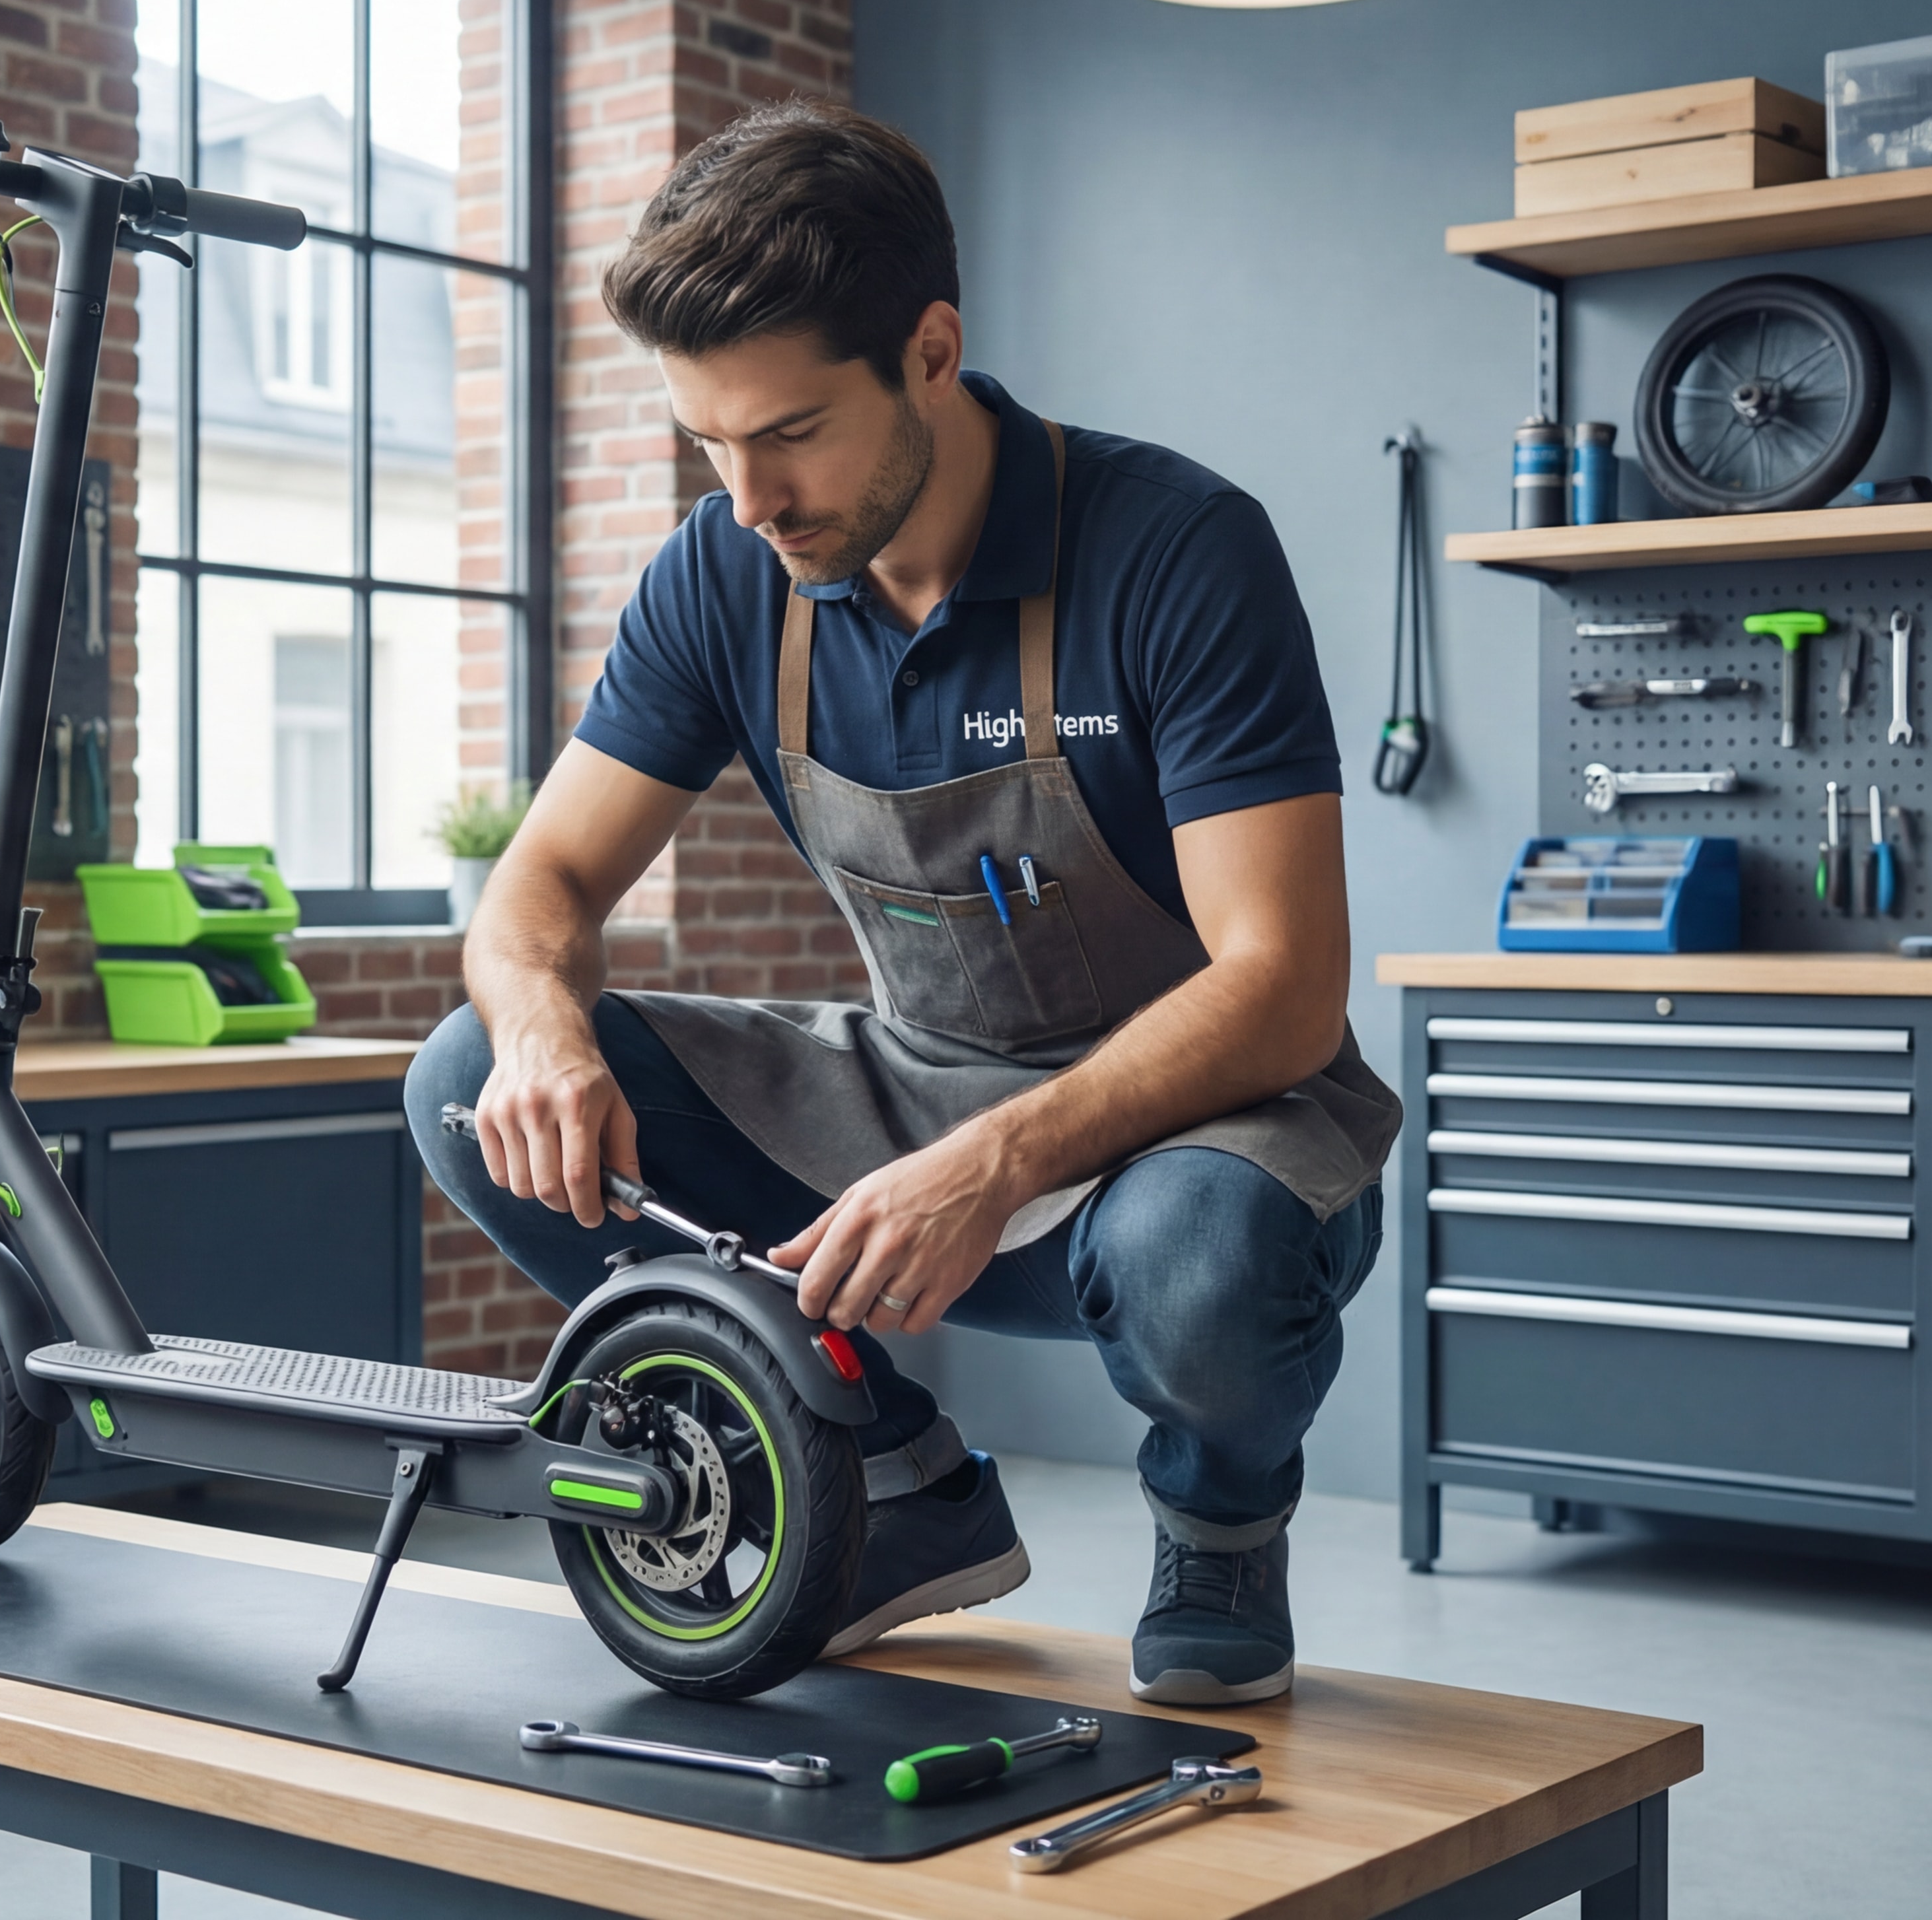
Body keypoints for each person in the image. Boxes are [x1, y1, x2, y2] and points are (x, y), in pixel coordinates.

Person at [404, 97, 1397, 1705]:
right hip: (908, 1097)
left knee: (1200, 1263)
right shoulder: (725, 572)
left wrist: (991, 1164)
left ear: (930, 351)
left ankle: (1219, 1516)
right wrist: (540, 1036)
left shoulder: (1173, 549)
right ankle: (882, 1470)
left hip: (1213, 1141)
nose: (747, 498)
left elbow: (1281, 983)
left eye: (788, 433)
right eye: (707, 444)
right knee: (467, 1083)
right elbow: (543, 890)